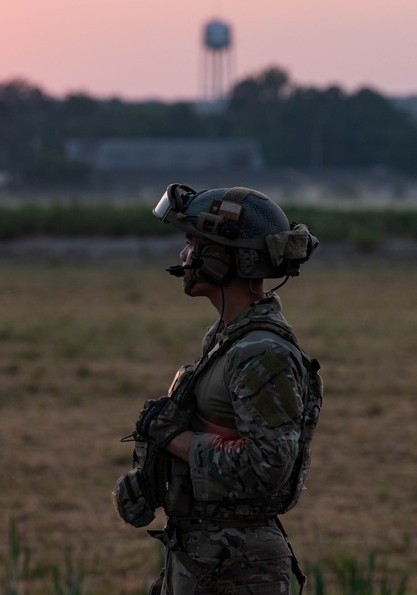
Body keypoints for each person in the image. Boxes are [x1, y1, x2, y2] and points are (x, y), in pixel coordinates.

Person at [112, 184, 322, 595]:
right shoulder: (227, 339)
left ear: (224, 258)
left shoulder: (262, 353)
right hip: (206, 556)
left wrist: (174, 437)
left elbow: (268, 464)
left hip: (238, 568)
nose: (183, 256)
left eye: (192, 243)